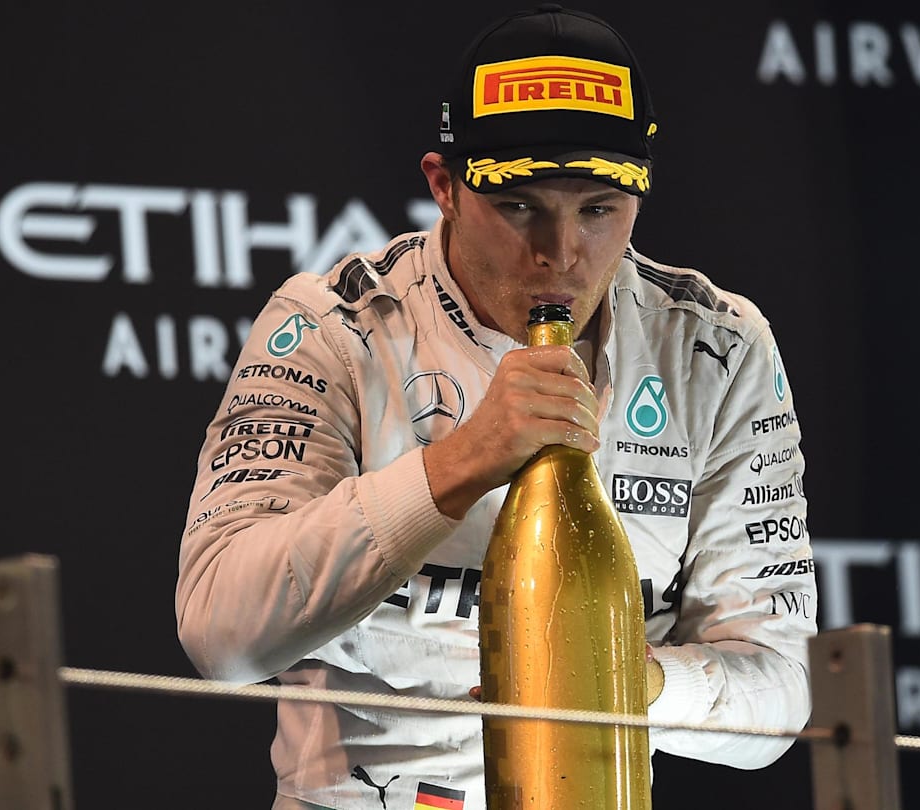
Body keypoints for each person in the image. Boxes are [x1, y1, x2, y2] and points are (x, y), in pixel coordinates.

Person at [175, 5, 818, 809]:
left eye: (598, 208)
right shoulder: (332, 325)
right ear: (443, 187)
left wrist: (614, 683)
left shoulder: (716, 348)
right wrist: (458, 465)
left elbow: (779, 687)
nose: (561, 254)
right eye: (521, 207)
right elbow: (220, 634)